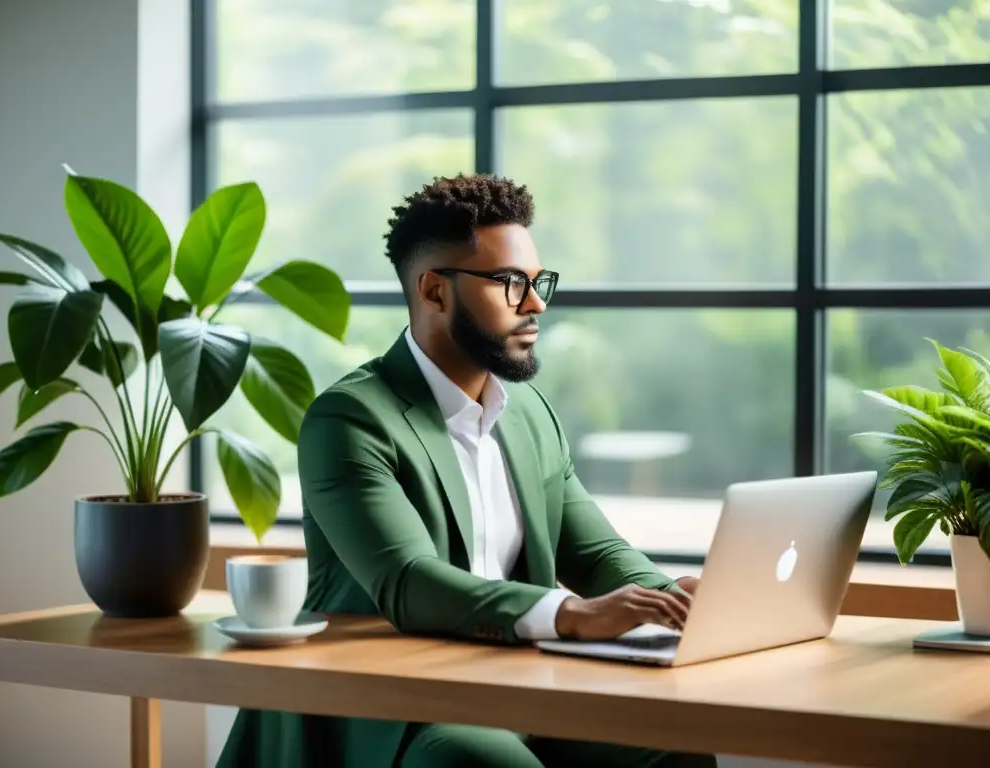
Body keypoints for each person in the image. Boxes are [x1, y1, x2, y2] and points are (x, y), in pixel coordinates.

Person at [217, 174, 716, 768]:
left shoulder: (528, 412)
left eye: (538, 283)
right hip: (395, 707)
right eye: (510, 283)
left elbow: (596, 551)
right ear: (433, 291)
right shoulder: (349, 419)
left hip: (519, 682)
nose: (536, 304)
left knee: (674, 749)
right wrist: (570, 614)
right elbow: (409, 582)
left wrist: (674, 598)